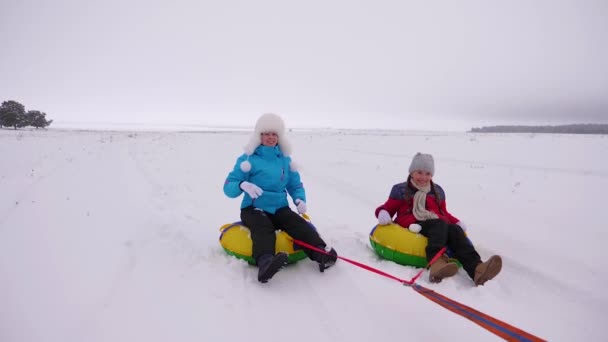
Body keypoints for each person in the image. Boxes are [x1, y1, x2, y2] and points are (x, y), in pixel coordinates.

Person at [223, 113, 337, 283]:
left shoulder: (284, 160)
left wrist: (299, 199)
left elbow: (295, 184)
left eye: (274, 134)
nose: (270, 137)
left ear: (279, 136)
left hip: (279, 207)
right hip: (253, 209)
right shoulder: (247, 159)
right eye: (266, 133)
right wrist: (242, 185)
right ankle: (265, 264)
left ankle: (320, 253)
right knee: (263, 225)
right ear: (259, 136)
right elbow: (228, 187)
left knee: (297, 223)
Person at [374, 153, 502, 286]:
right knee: (439, 224)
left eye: (428, 173)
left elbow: (444, 212)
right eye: (419, 172)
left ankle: (477, 269)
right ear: (411, 172)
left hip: (437, 222)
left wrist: (456, 222)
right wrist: (382, 213)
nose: (423, 177)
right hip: (413, 223)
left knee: (454, 230)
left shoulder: (437, 191)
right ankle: (437, 264)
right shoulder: (400, 189)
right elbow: (387, 208)